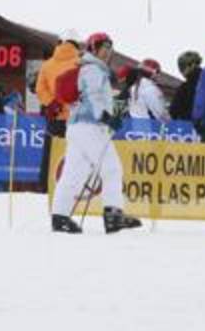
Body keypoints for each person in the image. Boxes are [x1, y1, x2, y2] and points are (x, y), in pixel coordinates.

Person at [50, 33, 142, 234]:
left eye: (110, 49)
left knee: (74, 173)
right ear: (93, 48)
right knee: (112, 169)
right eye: (104, 48)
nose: (107, 52)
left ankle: (60, 217)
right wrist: (106, 117)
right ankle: (113, 215)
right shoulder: (93, 69)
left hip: (78, 127)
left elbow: (96, 97)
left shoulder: (91, 69)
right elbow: (94, 97)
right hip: (90, 126)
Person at [36, 31, 81, 189]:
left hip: (55, 117)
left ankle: (44, 186)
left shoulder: (47, 65)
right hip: (77, 119)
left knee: (50, 152)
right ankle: (72, 187)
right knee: (75, 155)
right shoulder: (81, 63)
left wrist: (52, 103)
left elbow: (40, 89)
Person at [169, 51, 203, 121]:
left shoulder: (185, 88)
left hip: (190, 128)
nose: (181, 71)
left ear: (192, 65)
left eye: (182, 67)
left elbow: (173, 111)